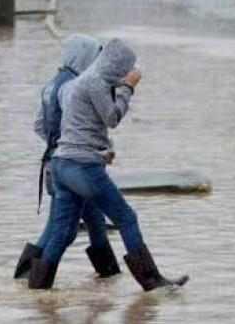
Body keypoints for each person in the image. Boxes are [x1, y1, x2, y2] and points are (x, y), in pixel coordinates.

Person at [28, 39, 188, 292]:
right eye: (124, 69)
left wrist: (102, 150)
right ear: (116, 66)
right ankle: (151, 281)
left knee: (61, 233)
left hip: (60, 165)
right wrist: (128, 88)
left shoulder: (76, 83)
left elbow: (83, 128)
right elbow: (112, 118)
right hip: (81, 167)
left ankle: (37, 290)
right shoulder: (95, 82)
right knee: (126, 217)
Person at [14, 35, 122, 282]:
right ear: (84, 56)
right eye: (94, 56)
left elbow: (38, 125)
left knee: (94, 220)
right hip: (76, 165)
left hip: (54, 165)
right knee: (60, 229)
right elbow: (85, 126)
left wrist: (55, 146)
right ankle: (28, 277)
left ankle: (109, 278)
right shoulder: (75, 86)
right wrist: (83, 148)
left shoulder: (51, 84)